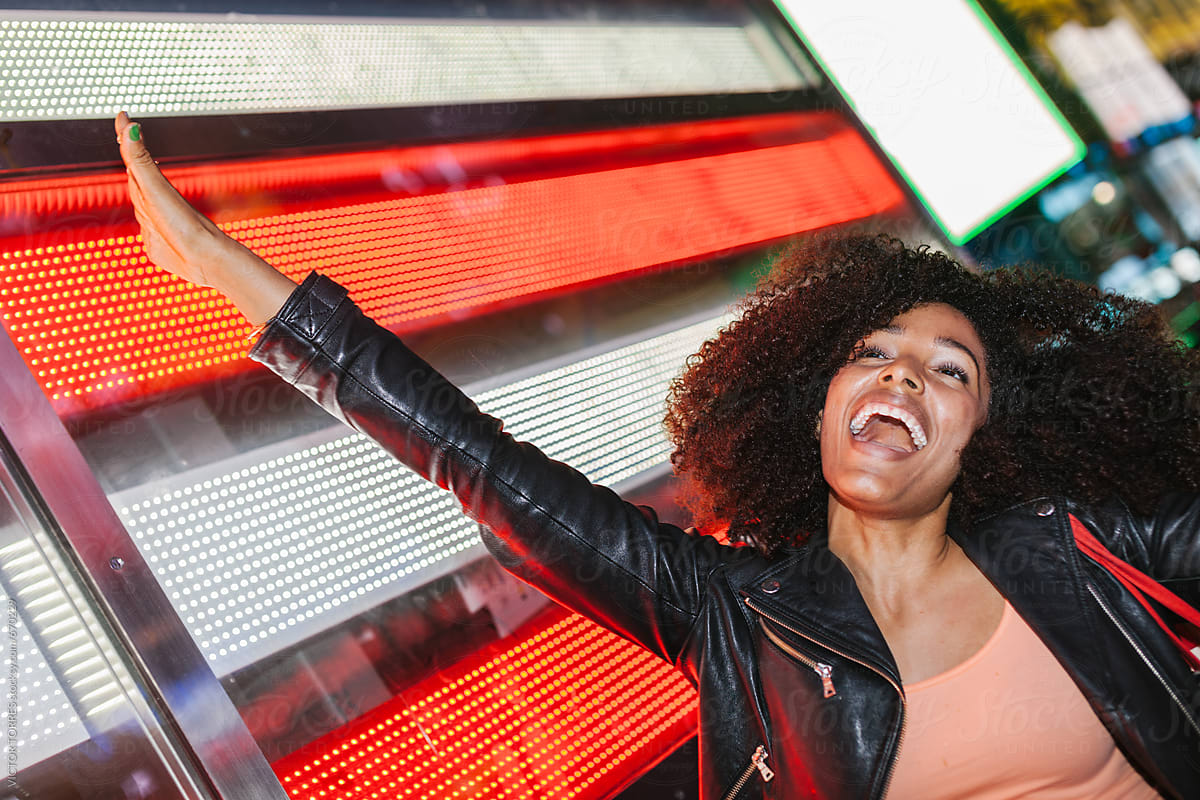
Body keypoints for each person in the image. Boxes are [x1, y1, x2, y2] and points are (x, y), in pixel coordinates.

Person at [113, 112, 1200, 799]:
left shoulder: (1089, 544)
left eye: (950, 370)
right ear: (810, 406)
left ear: (981, 434)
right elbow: (482, 462)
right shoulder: (732, 615)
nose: (905, 374)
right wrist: (227, 270)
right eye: (872, 352)